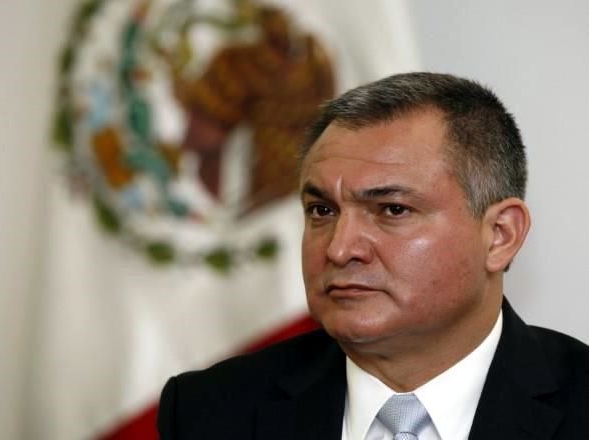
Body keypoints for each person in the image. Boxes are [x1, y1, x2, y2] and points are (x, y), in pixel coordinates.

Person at [157, 72, 589, 439]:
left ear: (500, 236)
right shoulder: (208, 413)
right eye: (322, 211)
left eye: (392, 210)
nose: (340, 248)